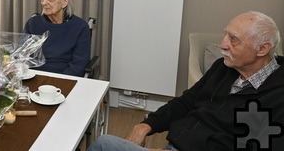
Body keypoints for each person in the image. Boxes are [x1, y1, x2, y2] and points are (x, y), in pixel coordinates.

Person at [88, 11, 284, 151]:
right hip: (176, 143)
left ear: (262, 49)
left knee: (104, 144)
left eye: (233, 39)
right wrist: (145, 126)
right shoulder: (223, 68)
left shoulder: (277, 99)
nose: (223, 44)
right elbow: (186, 102)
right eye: (225, 34)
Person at [23, 0, 90, 77]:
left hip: (65, 77)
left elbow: (78, 65)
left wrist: (61, 80)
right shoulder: (33, 23)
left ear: (65, 2)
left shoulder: (80, 27)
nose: (44, 2)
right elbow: (23, 54)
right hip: (34, 75)